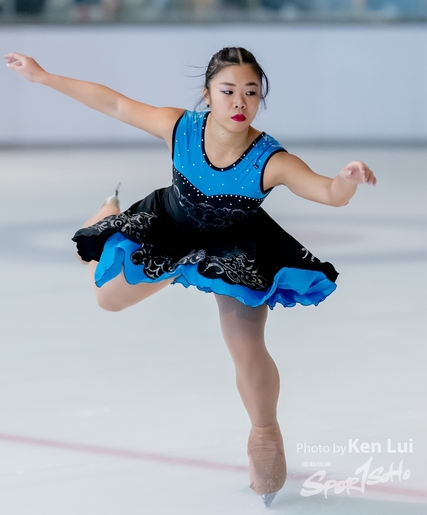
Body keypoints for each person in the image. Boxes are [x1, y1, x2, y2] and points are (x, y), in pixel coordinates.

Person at [4, 47, 376, 507]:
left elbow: (328, 193)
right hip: (169, 228)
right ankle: (107, 216)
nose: (239, 102)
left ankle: (264, 432)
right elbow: (114, 103)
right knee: (107, 298)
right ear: (207, 94)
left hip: (234, 248)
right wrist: (43, 77)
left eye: (250, 92)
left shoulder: (270, 159)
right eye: (228, 91)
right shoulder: (179, 127)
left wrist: (346, 179)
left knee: (246, 345)